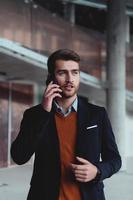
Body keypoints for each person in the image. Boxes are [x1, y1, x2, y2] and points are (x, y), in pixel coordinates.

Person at [11, 49, 121, 200]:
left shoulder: (97, 114)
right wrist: (43, 113)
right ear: (51, 77)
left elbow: (115, 160)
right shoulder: (34, 115)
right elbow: (19, 156)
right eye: (62, 73)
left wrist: (98, 171)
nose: (70, 79)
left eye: (75, 72)